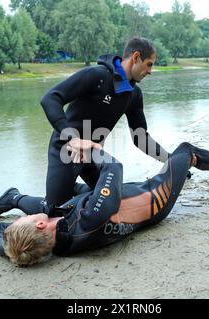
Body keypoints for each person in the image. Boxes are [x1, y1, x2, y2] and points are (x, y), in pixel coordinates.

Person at [0, 140, 209, 267]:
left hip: (88, 202)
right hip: (154, 198)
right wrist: (92, 147)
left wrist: (14, 250)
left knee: (55, 204)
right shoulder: (91, 217)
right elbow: (113, 166)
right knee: (186, 151)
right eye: (24, 219)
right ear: (40, 224)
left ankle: (14, 198)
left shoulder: (51, 245)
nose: (22, 220)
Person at [40, 37, 172, 212]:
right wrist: (73, 138)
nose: (150, 71)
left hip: (92, 155)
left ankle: (74, 188)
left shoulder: (133, 95)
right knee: (56, 213)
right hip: (67, 150)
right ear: (136, 57)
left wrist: (170, 160)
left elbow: (140, 138)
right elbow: (50, 98)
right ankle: (14, 198)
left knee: (115, 203)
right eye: (149, 64)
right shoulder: (97, 76)